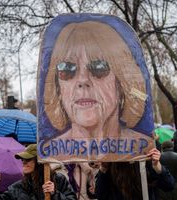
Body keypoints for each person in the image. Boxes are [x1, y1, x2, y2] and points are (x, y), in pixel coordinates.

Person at [39, 17, 154, 162]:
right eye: (67, 69)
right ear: (58, 88)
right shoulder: (49, 156)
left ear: (121, 82)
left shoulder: (143, 151)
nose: (82, 80)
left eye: (98, 67)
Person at [95, 148, 174, 200]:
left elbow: (169, 185)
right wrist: (103, 168)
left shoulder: (147, 158)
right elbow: (101, 195)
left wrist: (157, 166)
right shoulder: (112, 163)